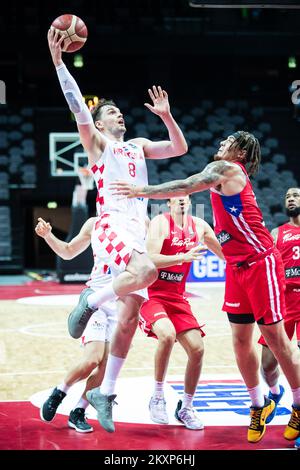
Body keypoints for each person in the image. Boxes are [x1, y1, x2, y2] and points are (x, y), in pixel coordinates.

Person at [110, 130, 300, 444]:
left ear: (239, 152)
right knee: (240, 342)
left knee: (275, 340)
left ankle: (296, 403)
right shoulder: (220, 177)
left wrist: (139, 190)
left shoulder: (227, 169)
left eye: (228, 142)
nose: (220, 144)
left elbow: (185, 185)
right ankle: (258, 404)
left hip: (260, 261)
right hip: (237, 267)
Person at [47, 28, 188, 433]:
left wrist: (165, 117)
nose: (119, 115)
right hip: (111, 222)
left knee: (128, 317)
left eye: (119, 112)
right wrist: (59, 63)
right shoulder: (97, 144)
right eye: (111, 113)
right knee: (147, 273)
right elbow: (76, 102)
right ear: (99, 122)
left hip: (135, 226)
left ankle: (104, 391)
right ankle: (90, 301)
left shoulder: (138, 144)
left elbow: (178, 148)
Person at [143, 196, 224, 430]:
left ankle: (186, 408)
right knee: (166, 335)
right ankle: (157, 396)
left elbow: (226, 255)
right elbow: (151, 259)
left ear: (189, 202)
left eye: (185, 199)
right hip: (152, 294)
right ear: (169, 204)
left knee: (197, 349)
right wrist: (183, 257)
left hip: (177, 298)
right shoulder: (160, 222)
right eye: (176, 199)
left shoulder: (200, 226)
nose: (181, 202)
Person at [35, 216, 116, 433]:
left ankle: (78, 411)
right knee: (93, 360)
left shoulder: (140, 223)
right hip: (96, 300)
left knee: (107, 370)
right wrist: (48, 236)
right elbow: (69, 251)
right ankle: (59, 393)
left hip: (123, 305)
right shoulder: (95, 223)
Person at [258, 187, 300, 424]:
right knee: (267, 366)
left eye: (295, 195)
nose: (291, 199)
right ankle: (275, 393)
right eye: (287, 197)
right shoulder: (277, 233)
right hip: (283, 304)